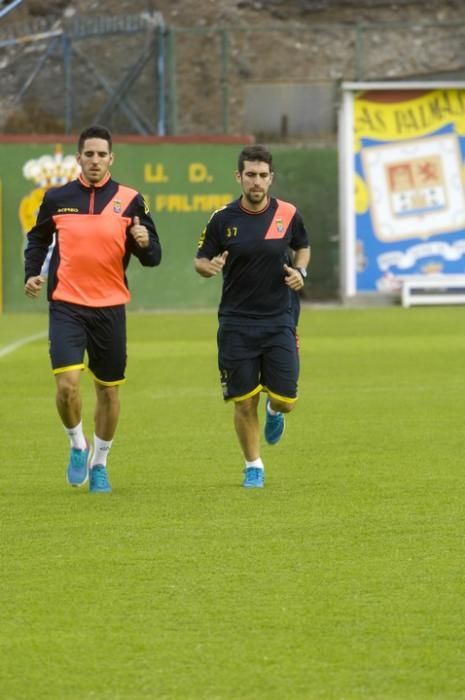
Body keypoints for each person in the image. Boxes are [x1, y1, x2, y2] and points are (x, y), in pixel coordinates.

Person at [24, 124, 162, 493]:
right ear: (79, 158)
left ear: (111, 158)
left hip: (110, 308)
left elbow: (153, 258)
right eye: (89, 154)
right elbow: (37, 239)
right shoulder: (57, 198)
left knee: (108, 391)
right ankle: (76, 444)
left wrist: (145, 241)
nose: (96, 160)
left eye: (102, 154)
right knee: (68, 386)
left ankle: (99, 462)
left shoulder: (131, 199)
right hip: (67, 304)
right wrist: (32, 274)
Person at [194, 144, 310, 488]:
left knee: (286, 400)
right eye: (250, 175)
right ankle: (253, 466)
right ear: (239, 177)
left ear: (271, 178)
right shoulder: (222, 219)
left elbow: (303, 245)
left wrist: (300, 272)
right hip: (236, 323)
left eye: (262, 176)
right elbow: (200, 259)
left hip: (280, 320)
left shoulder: (288, 214)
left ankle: (275, 412)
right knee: (244, 403)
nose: (256, 182)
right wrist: (208, 267)